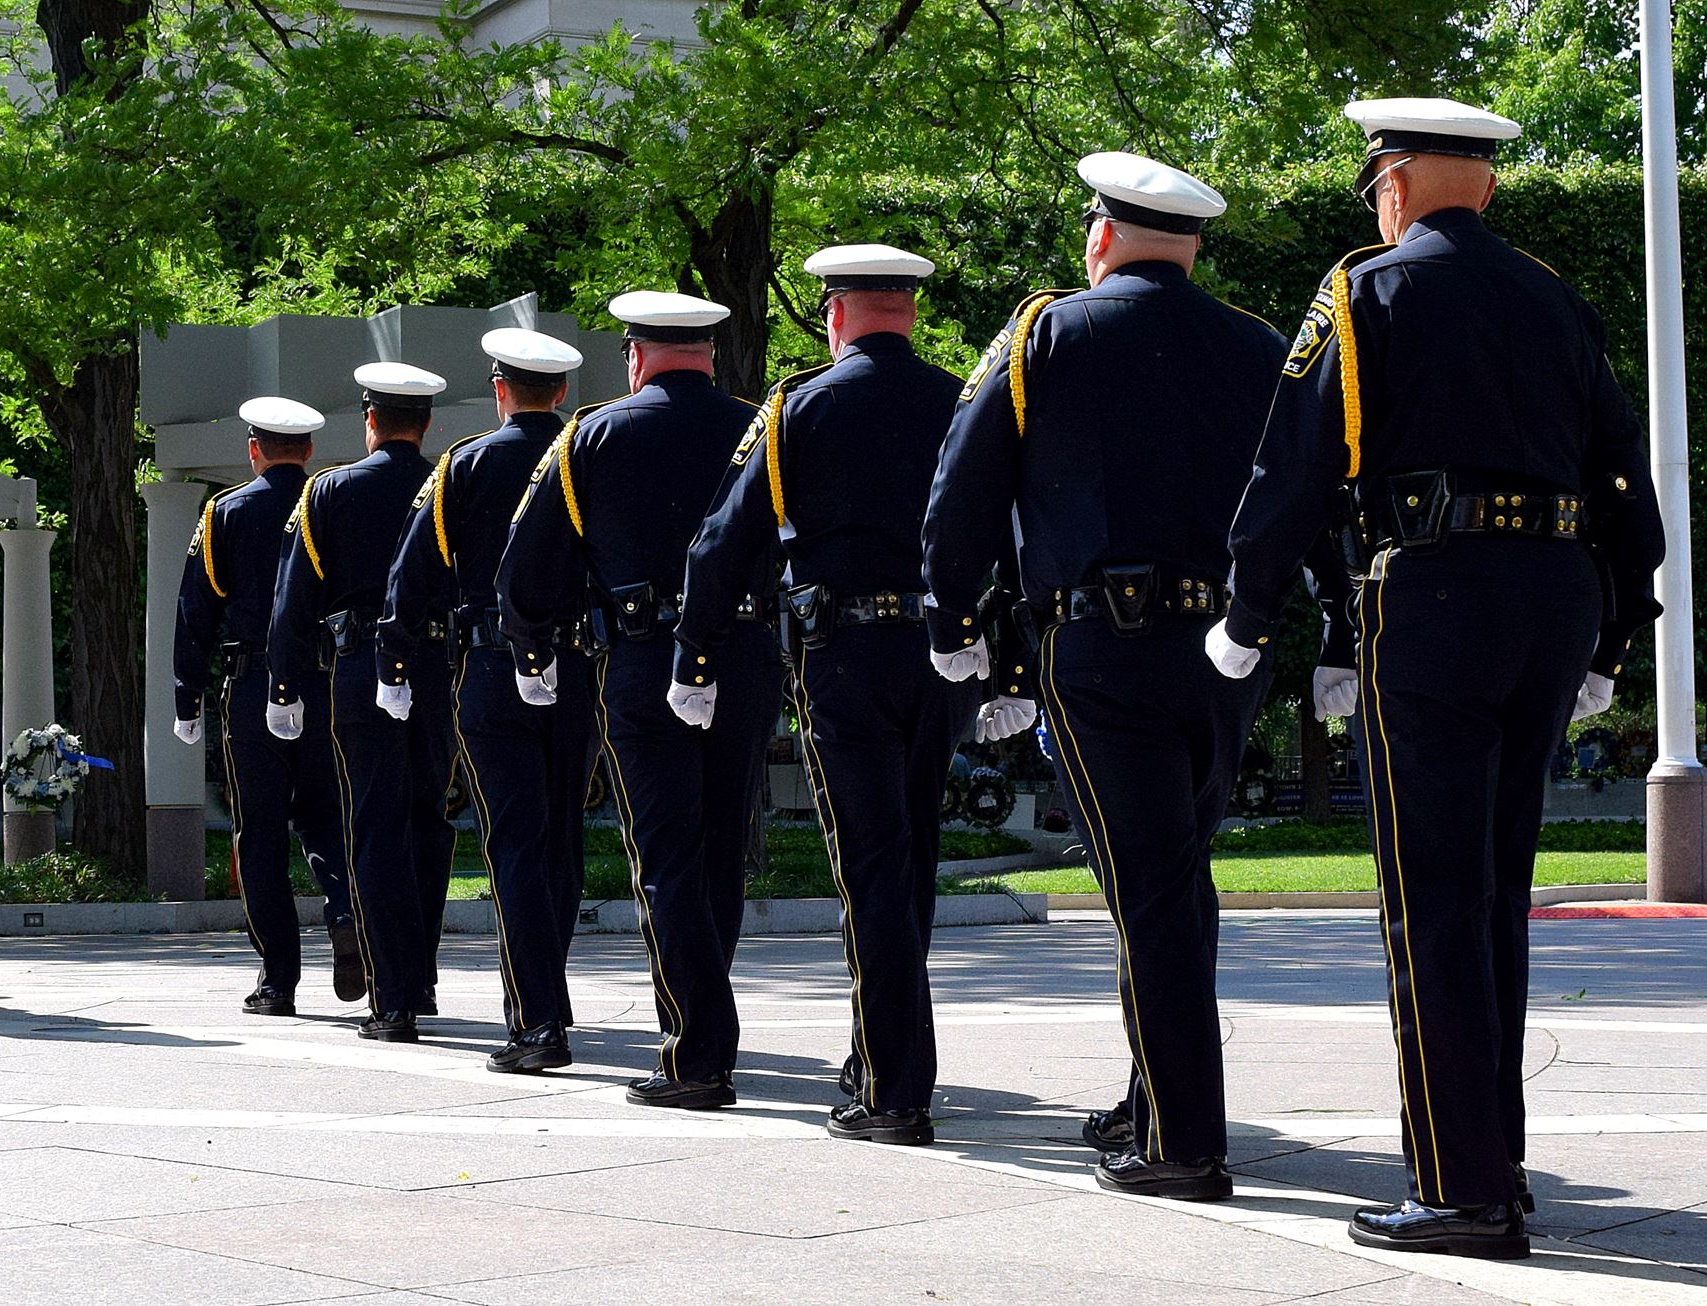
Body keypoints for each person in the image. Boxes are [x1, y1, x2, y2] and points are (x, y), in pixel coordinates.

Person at [1219, 98, 1664, 1258]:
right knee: (1492, 894)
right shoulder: (1556, 299)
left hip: (1429, 596)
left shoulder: (1364, 290)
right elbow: (1622, 479)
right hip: (1552, 596)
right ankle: (1491, 1163)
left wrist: (1247, 611)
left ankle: (1459, 1190)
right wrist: (1615, 633)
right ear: (1488, 184)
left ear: (1395, 183)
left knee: (1430, 900)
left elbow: (1292, 465)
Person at [922, 152, 1286, 1199]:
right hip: (1223, 650)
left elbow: (963, 483)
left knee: (1151, 886)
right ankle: (1152, 1095)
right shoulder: (1258, 344)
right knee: (1175, 875)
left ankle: (1180, 1139)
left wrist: (954, 618)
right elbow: (1303, 492)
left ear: (1099, 238)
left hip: (1100, 647)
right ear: (1191, 247)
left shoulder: (1045, 333)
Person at [677, 244, 973, 1144]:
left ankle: (892, 1090)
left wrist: (694, 652)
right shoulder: (961, 398)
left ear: (835, 314)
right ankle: (882, 1057)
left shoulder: (800, 405)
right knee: (911, 859)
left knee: (872, 863)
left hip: (844, 654)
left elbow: (724, 539)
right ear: (910, 312)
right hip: (942, 654)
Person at [497, 290, 777, 1110]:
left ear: (635, 355)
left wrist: (533, 647)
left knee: (666, 856)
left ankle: (696, 1053)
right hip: (746, 653)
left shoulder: (594, 433)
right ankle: (706, 1035)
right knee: (721, 847)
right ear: (710, 354)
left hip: (647, 656)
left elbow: (527, 564)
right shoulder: (762, 427)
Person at [378, 327, 595, 1072]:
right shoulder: (582, 453)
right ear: (560, 391)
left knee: (515, 843)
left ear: (500, 390)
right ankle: (547, 997)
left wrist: (394, 662)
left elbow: (411, 575)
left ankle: (538, 1020)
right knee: (562, 839)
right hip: (579, 667)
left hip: (494, 669)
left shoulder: (464, 465)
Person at [265, 361, 454, 1041]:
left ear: (370, 420)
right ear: (425, 423)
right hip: (437, 667)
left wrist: (283, 686)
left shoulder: (330, 489)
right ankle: (420, 976)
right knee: (428, 819)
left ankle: (392, 996)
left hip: (359, 668)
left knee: (374, 826)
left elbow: (293, 601)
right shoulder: (447, 484)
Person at [174, 396, 361, 1016]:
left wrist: (187, 692)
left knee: (259, 832)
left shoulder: (225, 511)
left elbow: (196, 608)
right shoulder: (333, 504)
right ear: (308, 451)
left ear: (253, 450)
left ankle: (278, 978)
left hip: (254, 686)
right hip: (326, 681)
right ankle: (345, 915)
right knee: (327, 817)